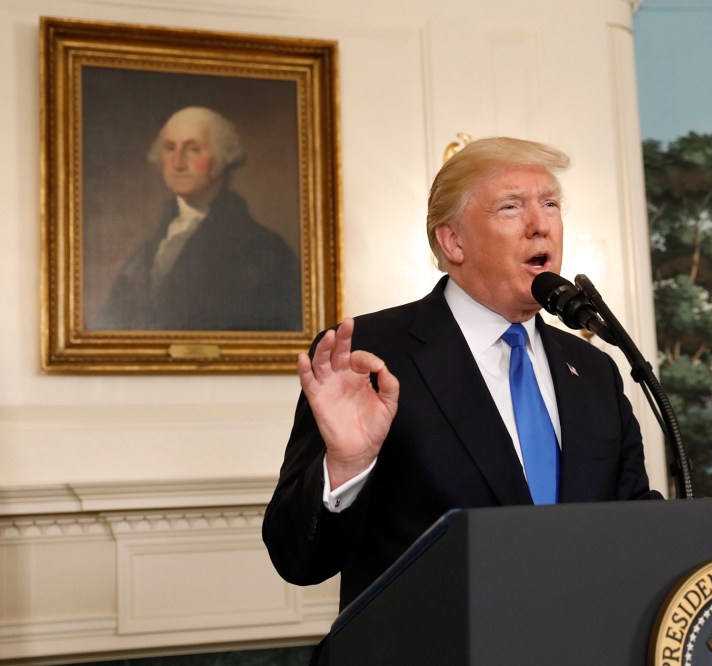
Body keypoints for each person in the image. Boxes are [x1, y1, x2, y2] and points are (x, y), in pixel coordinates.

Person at [262, 137, 661, 637]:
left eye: (550, 204)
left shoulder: (594, 369)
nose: (541, 224)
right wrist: (346, 466)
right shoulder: (368, 355)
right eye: (511, 207)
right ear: (452, 241)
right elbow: (298, 559)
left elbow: (634, 529)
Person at [91, 106, 301, 331]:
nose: (178, 162)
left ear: (222, 157)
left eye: (193, 149)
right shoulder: (149, 248)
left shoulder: (264, 251)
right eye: (170, 148)